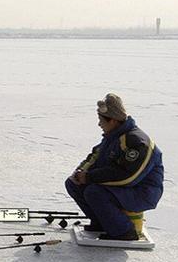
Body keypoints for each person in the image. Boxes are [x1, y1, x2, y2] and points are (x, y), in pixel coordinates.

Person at [65, 93, 164, 241]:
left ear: (112, 121)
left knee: (94, 192)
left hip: (142, 192)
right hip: (124, 188)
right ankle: (103, 222)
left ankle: (124, 231)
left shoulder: (136, 142)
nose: (99, 124)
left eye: (100, 120)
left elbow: (129, 177)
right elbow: (94, 157)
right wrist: (80, 173)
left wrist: (90, 178)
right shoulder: (112, 137)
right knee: (73, 184)